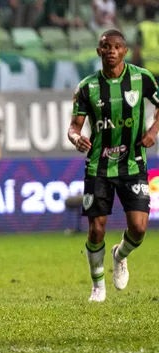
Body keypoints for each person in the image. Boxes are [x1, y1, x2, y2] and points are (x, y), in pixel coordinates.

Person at [68, 29, 159, 303]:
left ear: (125, 51)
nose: (111, 50)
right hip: (98, 166)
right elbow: (74, 127)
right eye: (105, 46)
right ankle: (98, 287)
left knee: (139, 229)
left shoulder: (142, 78)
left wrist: (154, 130)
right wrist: (76, 138)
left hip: (133, 164)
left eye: (116, 46)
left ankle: (119, 255)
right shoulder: (87, 87)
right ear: (98, 52)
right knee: (96, 229)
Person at [132, 5, 159, 83]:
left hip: (146, 69)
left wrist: (133, 65)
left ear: (144, 14)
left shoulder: (142, 27)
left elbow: (137, 48)